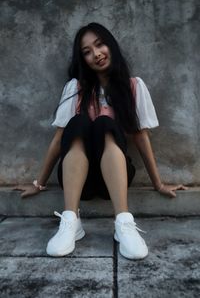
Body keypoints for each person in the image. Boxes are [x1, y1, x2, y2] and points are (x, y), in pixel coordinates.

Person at [15, 23, 187, 260]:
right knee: (78, 124)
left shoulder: (133, 86)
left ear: (110, 45)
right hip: (79, 182)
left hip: (113, 181)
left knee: (105, 124)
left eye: (99, 44)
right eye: (86, 51)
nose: (96, 54)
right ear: (82, 59)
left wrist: (159, 184)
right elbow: (59, 139)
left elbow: (140, 136)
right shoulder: (75, 88)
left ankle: (124, 223)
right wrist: (39, 183)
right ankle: (71, 221)